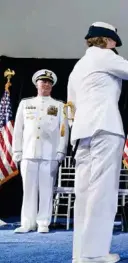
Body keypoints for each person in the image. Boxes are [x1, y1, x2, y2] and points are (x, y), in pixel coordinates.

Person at [67, 21, 128, 263]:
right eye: (114, 40)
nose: (116, 44)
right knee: (102, 192)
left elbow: (70, 106)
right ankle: (95, 253)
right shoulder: (104, 56)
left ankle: (80, 254)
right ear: (106, 40)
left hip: (83, 132)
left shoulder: (79, 66)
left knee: (83, 193)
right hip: (105, 129)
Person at [12, 69, 69, 234]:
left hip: (49, 154)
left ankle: (43, 221)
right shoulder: (26, 103)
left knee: (46, 189)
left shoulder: (58, 106)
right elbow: (18, 130)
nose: (46, 84)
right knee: (28, 189)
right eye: (43, 82)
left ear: (52, 86)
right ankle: (27, 223)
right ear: (36, 84)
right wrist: (17, 151)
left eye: (49, 83)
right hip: (28, 152)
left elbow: (63, 131)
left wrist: (61, 151)